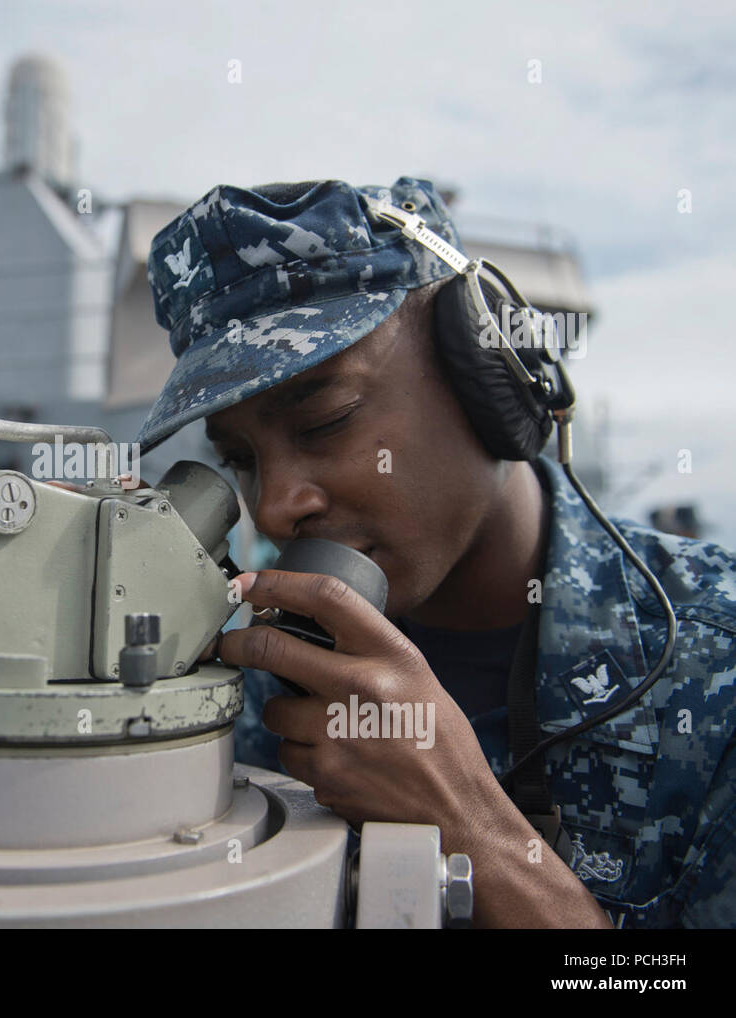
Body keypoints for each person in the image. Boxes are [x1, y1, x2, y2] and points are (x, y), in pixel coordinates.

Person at [135, 177, 736, 929]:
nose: (276, 504)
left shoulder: (715, 669)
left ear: (486, 376)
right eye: (243, 460)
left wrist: (476, 830)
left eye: (325, 420)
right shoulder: (254, 684)